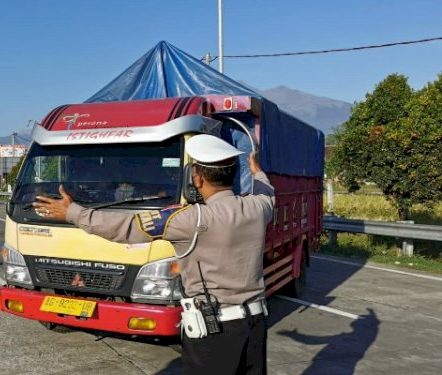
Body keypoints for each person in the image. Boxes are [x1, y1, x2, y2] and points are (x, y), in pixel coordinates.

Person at [33, 134, 275, 374]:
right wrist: (257, 173)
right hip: (255, 325)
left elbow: (126, 227)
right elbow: (267, 192)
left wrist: (73, 213)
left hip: (215, 331)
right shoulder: (258, 208)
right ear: (232, 175)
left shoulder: (189, 219)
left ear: (198, 179)